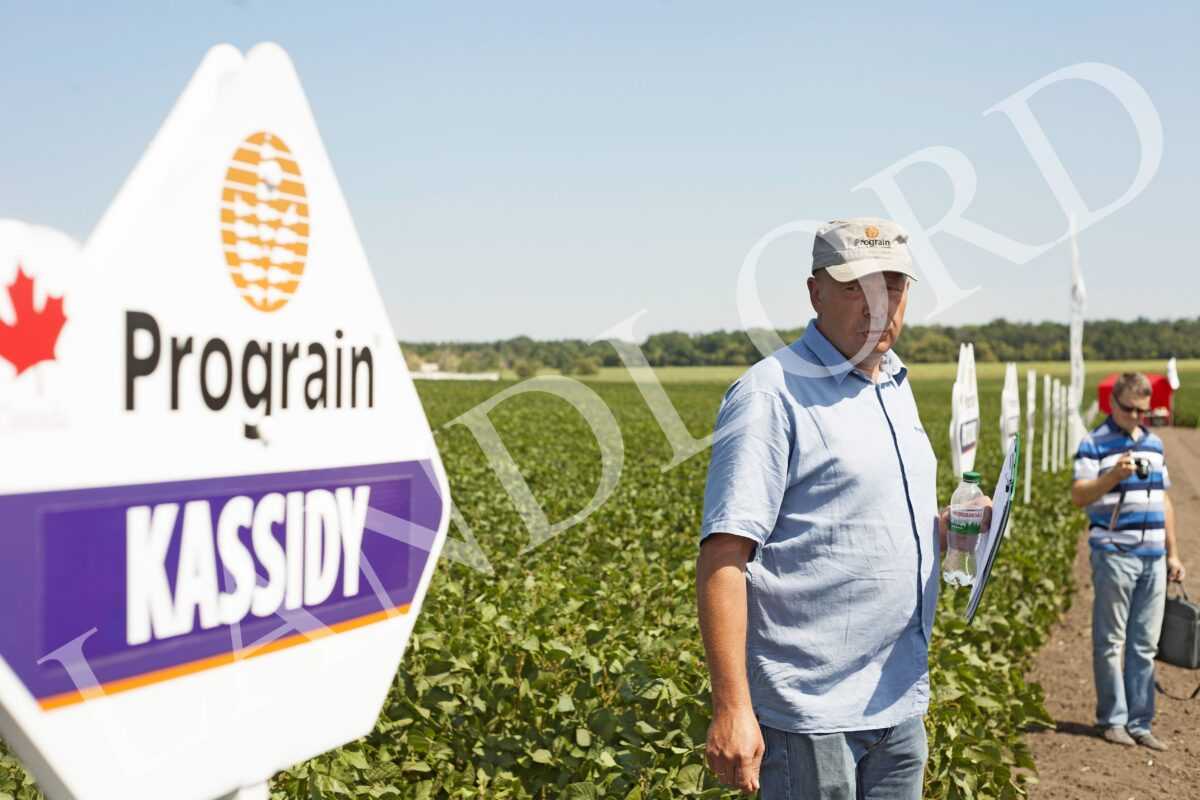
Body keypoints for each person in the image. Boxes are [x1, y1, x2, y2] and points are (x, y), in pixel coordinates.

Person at [696, 218, 985, 798]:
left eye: (893, 286)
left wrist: (947, 530)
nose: (879, 305)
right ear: (816, 292)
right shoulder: (771, 393)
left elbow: (865, 520)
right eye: (857, 287)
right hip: (810, 714)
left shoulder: (895, 385)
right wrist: (732, 707)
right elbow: (723, 556)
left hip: (898, 699)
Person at [1070, 372, 1186, 751]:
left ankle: (1140, 722)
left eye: (1143, 411)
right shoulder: (1093, 443)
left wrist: (1173, 552)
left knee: (1144, 644)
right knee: (1111, 642)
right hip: (1114, 553)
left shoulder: (1153, 443)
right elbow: (1079, 495)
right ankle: (1113, 719)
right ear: (1112, 404)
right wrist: (1112, 476)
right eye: (1130, 409)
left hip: (1154, 558)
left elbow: (1164, 500)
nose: (1137, 416)